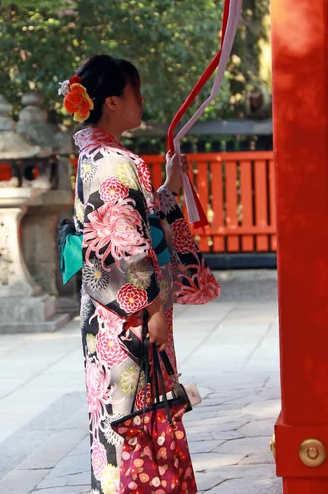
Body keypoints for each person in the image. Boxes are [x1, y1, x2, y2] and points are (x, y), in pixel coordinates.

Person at [60, 55, 220, 494]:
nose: (142, 101)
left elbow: (137, 221)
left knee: (125, 417)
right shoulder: (110, 160)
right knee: (135, 417)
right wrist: (150, 308)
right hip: (126, 318)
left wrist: (167, 186)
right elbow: (126, 243)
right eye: (137, 93)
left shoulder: (101, 155)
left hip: (111, 314)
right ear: (112, 101)